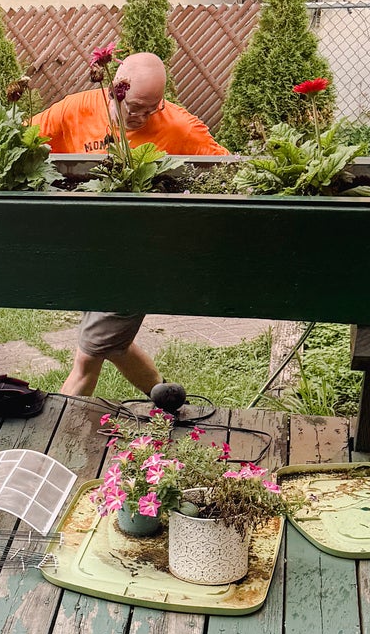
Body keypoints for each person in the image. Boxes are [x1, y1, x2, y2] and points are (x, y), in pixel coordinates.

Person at [31, 51, 227, 397]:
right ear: (114, 90)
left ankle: (57, 434)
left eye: (151, 108)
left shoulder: (179, 126)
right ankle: (168, 400)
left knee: (87, 358)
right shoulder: (73, 110)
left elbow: (228, 172)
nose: (140, 116)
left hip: (141, 260)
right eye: (133, 106)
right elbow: (22, 143)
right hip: (90, 253)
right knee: (114, 344)